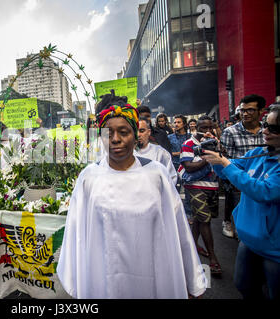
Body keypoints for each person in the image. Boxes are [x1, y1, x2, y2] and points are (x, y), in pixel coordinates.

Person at [57, 92, 206, 299]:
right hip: (104, 282)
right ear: (100, 137)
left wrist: (192, 279)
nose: (116, 139)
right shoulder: (89, 178)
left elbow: (178, 229)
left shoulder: (157, 174)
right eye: (108, 133)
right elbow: (76, 234)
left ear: (135, 135)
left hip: (152, 278)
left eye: (124, 132)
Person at [201, 105, 280, 299]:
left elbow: (264, 192)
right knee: (244, 286)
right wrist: (217, 156)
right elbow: (229, 170)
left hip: (274, 248)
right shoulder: (258, 154)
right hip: (249, 240)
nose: (265, 131)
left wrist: (225, 163)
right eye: (265, 125)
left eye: (273, 128)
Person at [178, 115, 222, 275]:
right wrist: (209, 155)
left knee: (198, 218)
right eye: (204, 128)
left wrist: (216, 149)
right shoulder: (188, 144)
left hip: (212, 185)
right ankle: (213, 258)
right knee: (205, 221)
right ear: (196, 127)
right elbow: (189, 167)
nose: (207, 131)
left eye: (210, 127)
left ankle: (191, 248)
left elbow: (224, 160)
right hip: (194, 186)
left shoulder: (215, 141)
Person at [220, 94, 266, 238]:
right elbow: (226, 159)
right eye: (242, 110)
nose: (245, 113)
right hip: (241, 182)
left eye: (250, 110)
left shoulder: (268, 131)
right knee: (243, 222)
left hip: (266, 181)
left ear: (261, 111)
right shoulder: (230, 132)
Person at [135, 116, 177, 185]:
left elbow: (171, 178)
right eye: (135, 131)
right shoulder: (127, 154)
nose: (138, 135)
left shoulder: (161, 153)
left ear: (149, 132)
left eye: (142, 131)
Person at [168, 115, 193, 220]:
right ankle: (173, 213)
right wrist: (178, 153)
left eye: (179, 122)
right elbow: (167, 152)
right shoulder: (170, 137)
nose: (176, 124)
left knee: (188, 191)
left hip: (187, 166)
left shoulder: (190, 137)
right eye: (175, 122)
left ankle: (189, 214)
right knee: (173, 190)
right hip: (174, 165)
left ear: (184, 124)